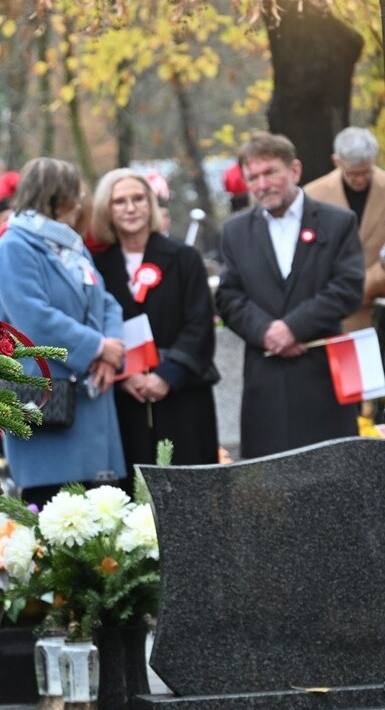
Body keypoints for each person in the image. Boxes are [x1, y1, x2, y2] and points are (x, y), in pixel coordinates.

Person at [0, 157, 126, 507]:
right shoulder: (13, 246)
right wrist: (96, 347)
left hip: (91, 393)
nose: (81, 203)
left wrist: (110, 351)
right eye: (74, 194)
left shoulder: (70, 247)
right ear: (55, 198)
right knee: (55, 515)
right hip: (49, 398)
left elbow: (106, 301)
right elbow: (33, 317)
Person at [215, 131, 363, 459]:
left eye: (270, 172)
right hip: (265, 381)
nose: (262, 184)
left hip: (324, 375)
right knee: (271, 489)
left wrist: (294, 327)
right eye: (252, 177)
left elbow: (348, 287)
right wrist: (267, 332)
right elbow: (228, 297)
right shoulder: (235, 232)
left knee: (332, 477)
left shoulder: (337, 222)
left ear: (294, 170)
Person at [91, 169, 219, 478]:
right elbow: (94, 323)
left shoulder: (184, 257)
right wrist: (125, 377)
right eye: (120, 201)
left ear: (151, 205)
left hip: (182, 392)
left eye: (138, 199)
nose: (131, 208)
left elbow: (200, 324)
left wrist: (167, 375)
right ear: (106, 210)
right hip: (127, 399)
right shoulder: (98, 266)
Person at [304, 126, 385, 332]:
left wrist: (371, 282)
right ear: (336, 161)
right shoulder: (312, 197)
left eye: (366, 172)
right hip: (337, 317)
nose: (360, 180)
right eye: (352, 173)